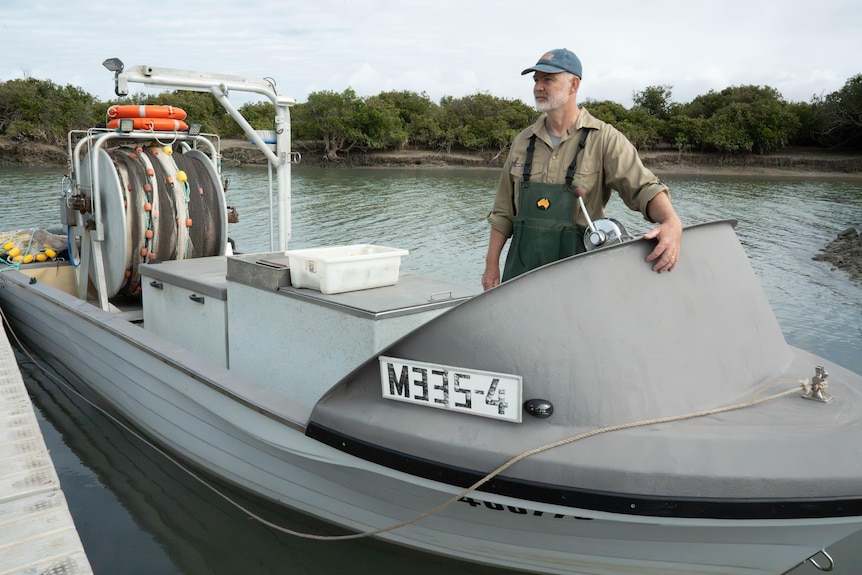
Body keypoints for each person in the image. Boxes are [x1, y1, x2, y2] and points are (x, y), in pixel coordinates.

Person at [482, 48, 682, 290]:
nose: (538, 87)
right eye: (536, 80)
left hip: (578, 280)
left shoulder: (605, 139)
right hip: (520, 277)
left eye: (548, 80)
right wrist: (491, 266)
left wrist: (671, 221)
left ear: (573, 85)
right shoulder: (522, 141)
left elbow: (644, 188)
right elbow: (503, 213)